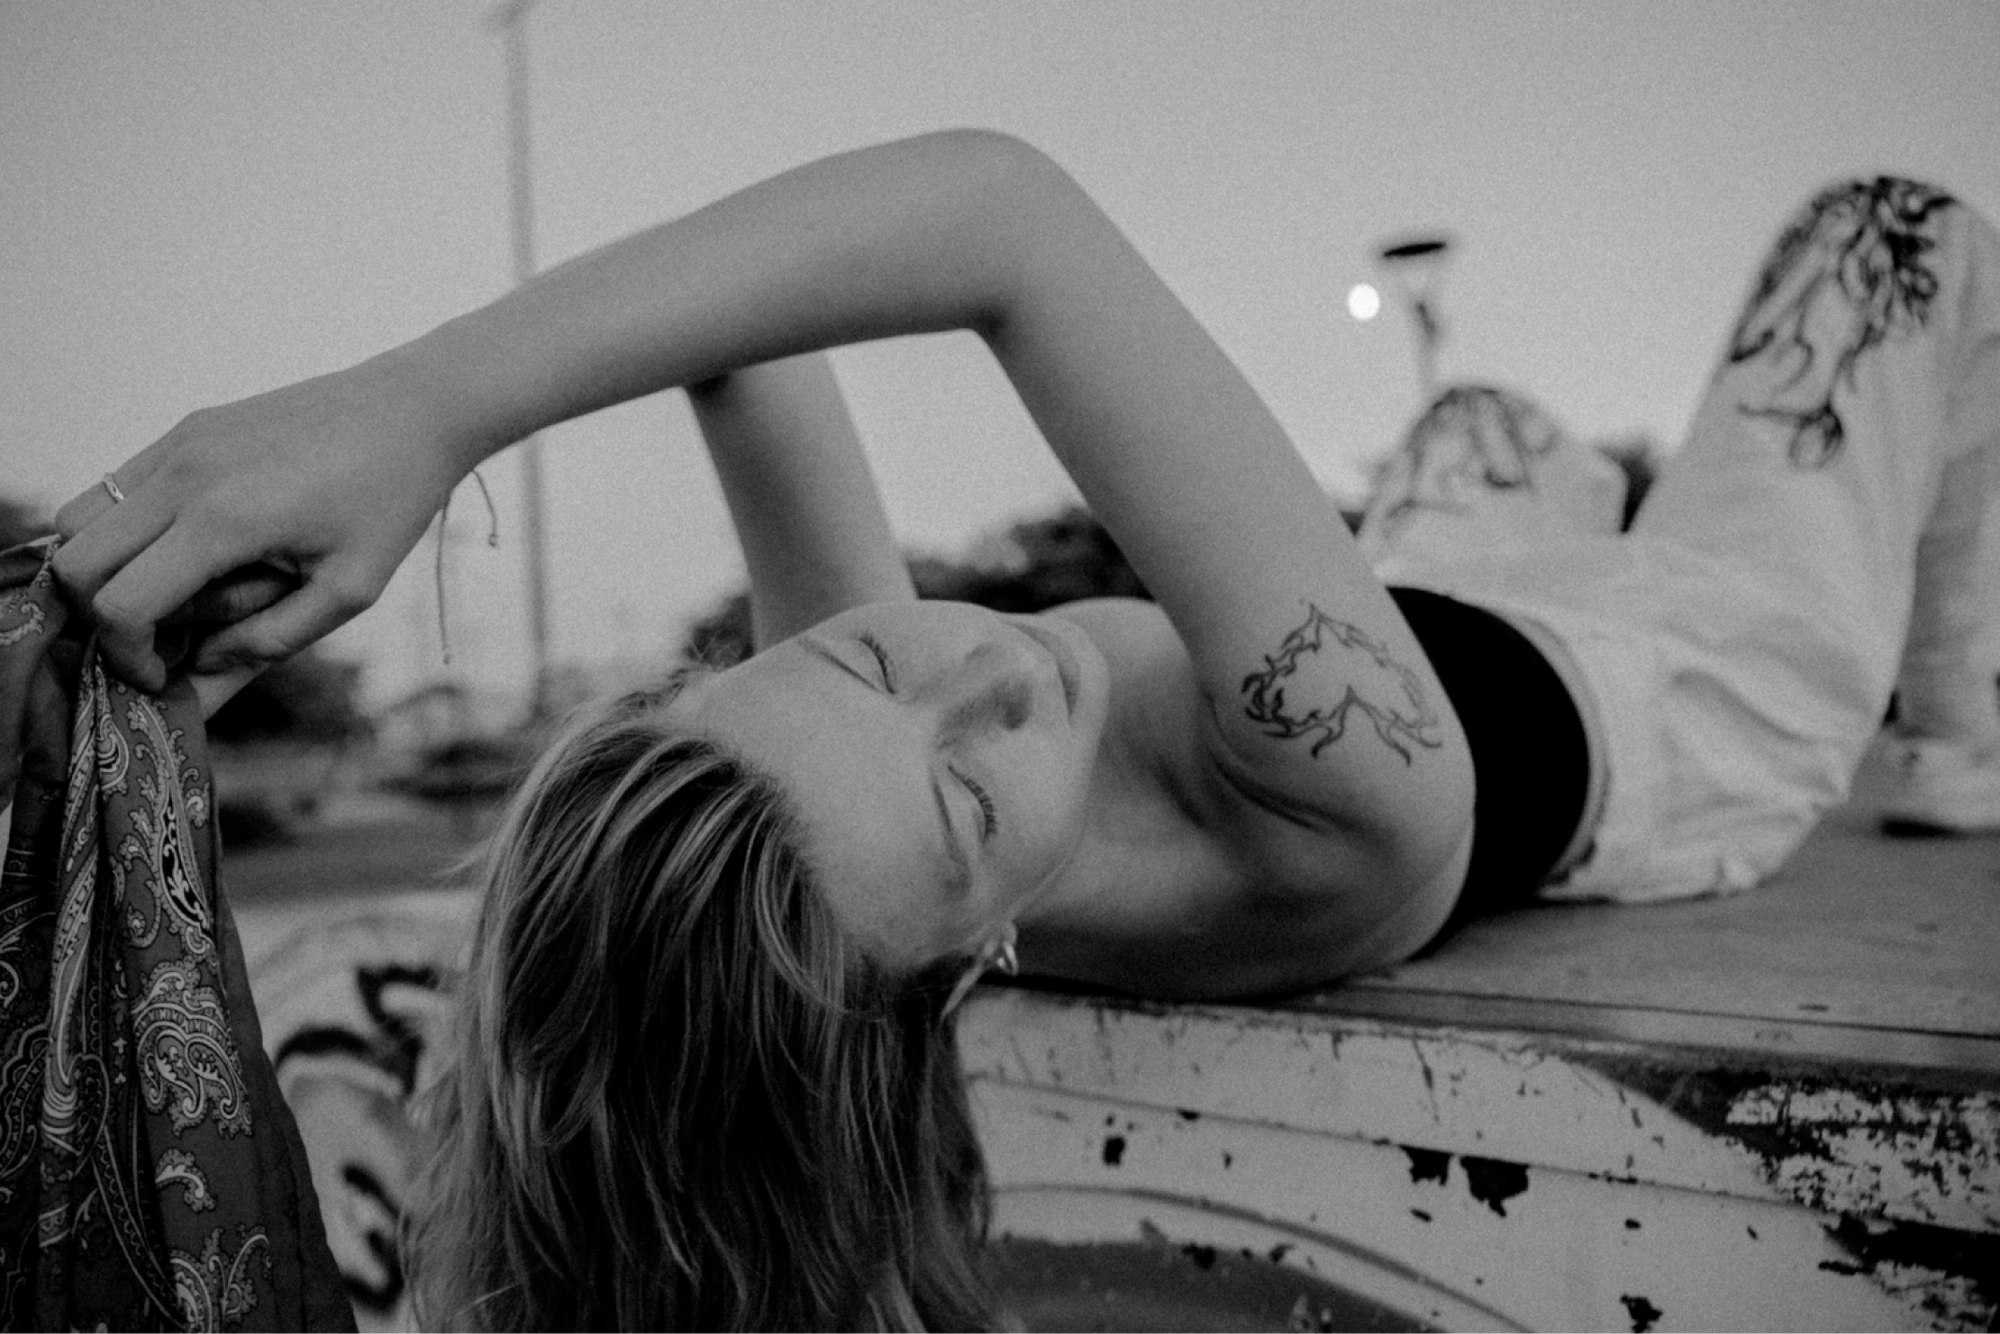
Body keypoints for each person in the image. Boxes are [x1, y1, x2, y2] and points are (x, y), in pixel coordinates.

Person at [38, 133, 2000, 1330]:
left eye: (862, 669)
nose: (993, 675)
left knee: (1487, 434)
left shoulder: (837, 831)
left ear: (709, 677)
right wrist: (430, 405)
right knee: (1890, 232)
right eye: (980, 792)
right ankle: (1945, 722)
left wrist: (184, 597)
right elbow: (995, 210)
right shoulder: (1318, 814)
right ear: (967, 957)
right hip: (1686, 697)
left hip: (1443, 592)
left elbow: (750, 330)